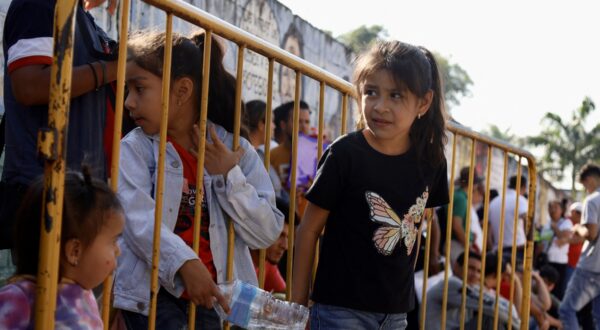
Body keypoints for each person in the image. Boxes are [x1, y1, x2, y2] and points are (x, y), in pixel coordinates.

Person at [113, 30, 284, 329]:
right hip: (152, 297)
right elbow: (136, 217)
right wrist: (184, 263)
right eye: (127, 89)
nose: (128, 101)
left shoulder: (236, 150)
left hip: (218, 303)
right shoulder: (135, 148)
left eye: (139, 89)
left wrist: (229, 176)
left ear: (182, 90)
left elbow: (267, 232)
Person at [291, 40, 449, 329]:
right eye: (371, 92)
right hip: (339, 311)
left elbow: (414, 234)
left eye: (396, 96)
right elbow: (309, 229)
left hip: (395, 316)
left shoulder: (432, 162)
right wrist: (297, 306)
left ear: (423, 103)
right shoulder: (345, 154)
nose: (380, 106)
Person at [0, 0, 120, 249]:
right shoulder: (38, 5)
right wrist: (113, 69)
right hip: (44, 192)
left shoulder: (79, 14)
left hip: (79, 194)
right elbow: (29, 86)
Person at [0, 168, 124, 329]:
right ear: (74, 251)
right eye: (113, 241)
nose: (118, 250)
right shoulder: (18, 299)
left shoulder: (85, 295)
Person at [425, 252, 520, 330]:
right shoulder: (451, 283)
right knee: (488, 320)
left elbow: (504, 304)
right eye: (470, 268)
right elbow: (490, 306)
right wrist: (518, 325)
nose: (475, 274)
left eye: (479, 271)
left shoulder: (471, 287)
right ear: (456, 266)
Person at [559, 163, 600, 329]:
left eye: (584, 185)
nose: (585, 189)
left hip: (591, 267)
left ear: (589, 180)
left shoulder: (593, 200)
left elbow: (591, 233)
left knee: (566, 310)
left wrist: (577, 228)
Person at [270, 100, 312, 215]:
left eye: (307, 122)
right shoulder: (271, 156)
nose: (303, 126)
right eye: (298, 121)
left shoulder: (319, 155)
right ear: (283, 125)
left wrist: (312, 188)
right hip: (283, 224)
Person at [250, 197, 297, 294]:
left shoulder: (266, 264)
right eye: (280, 235)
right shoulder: (236, 262)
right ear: (260, 228)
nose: (285, 246)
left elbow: (286, 295)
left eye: (288, 237)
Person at [244, 99, 285, 201]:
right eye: (272, 121)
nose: (274, 126)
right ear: (261, 124)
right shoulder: (245, 156)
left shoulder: (260, 154)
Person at [488, 175, 528, 262]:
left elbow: (488, 231)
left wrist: (492, 249)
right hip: (517, 249)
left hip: (497, 250)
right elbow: (528, 223)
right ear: (524, 187)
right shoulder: (520, 200)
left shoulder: (494, 201)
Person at [544, 200, 572, 299]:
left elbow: (565, 237)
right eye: (550, 207)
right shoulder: (547, 223)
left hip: (559, 263)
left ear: (561, 210)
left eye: (556, 207)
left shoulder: (566, 223)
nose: (552, 210)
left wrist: (555, 228)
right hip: (547, 260)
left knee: (557, 290)